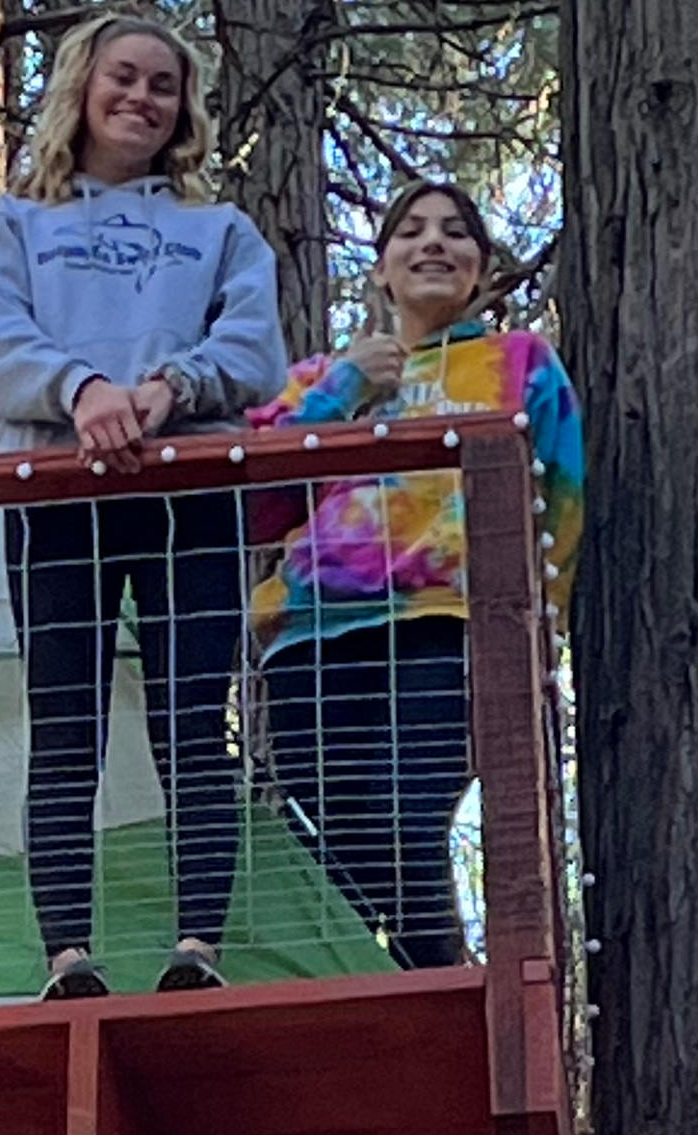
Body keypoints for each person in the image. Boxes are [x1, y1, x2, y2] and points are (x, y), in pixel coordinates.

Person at [0, 11, 287, 995]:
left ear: (185, 110)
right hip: (58, 495)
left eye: (164, 86)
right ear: (80, 89)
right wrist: (83, 393)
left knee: (194, 719)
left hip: (189, 493)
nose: (143, 99)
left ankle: (198, 951)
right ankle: (68, 957)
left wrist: (168, 389)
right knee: (65, 725)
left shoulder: (219, 232)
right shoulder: (13, 227)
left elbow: (256, 351)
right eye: (125, 78)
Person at [246, 178, 583, 967]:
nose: (434, 242)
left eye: (455, 231)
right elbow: (255, 506)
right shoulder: (317, 377)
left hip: (452, 626)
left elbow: (560, 503)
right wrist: (346, 389)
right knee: (332, 849)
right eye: (411, 231)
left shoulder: (519, 363)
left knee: (403, 820)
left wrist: (539, 634)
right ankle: (428, 992)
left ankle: (446, 986)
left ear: (482, 271)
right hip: (308, 641)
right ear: (382, 269)